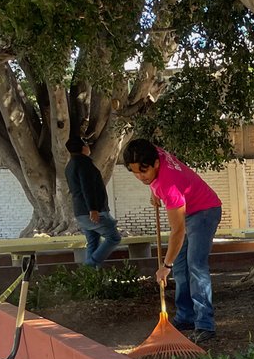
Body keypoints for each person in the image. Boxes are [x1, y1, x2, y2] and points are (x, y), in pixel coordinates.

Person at [122, 138, 223, 344]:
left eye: (144, 171)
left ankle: (205, 324)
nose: (140, 177)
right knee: (181, 266)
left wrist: (165, 266)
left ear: (156, 163)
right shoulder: (152, 152)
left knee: (195, 265)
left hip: (205, 211)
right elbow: (150, 167)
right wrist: (152, 190)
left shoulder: (169, 185)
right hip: (189, 210)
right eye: (135, 172)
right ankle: (186, 317)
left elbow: (178, 231)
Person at [65, 137, 121, 268]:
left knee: (93, 242)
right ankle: (88, 266)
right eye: (86, 144)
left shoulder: (70, 165)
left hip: (80, 212)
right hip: (92, 211)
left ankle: (90, 276)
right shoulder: (84, 163)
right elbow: (87, 187)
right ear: (83, 147)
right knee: (114, 238)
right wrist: (93, 209)